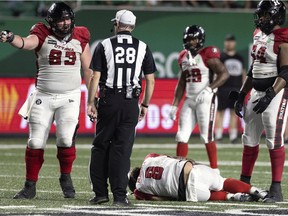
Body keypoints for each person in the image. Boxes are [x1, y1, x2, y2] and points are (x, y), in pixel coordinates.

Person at [0, 2, 92, 199]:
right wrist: (11, 38)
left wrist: (92, 99)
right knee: (35, 141)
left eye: (67, 19)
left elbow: (88, 69)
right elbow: (27, 42)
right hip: (43, 95)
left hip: (70, 96)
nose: (65, 23)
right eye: (61, 20)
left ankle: (65, 177)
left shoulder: (81, 35)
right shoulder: (41, 33)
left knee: (66, 138)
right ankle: (29, 185)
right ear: (51, 22)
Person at [87, 9, 156, 206]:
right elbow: (150, 81)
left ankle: (100, 193)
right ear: (132, 26)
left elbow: (96, 77)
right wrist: (144, 104)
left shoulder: (105, 44)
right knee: (122, 149)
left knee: (101, 146)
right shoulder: (142, 46)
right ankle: (119, 196)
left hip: (109, 100)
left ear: (117, 24)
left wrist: (91, 102)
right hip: (130, 103)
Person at [233, 0, 288, 202]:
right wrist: (241, 93)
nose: (261, 18)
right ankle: (245, 186)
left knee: (274, 137)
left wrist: (271, 95)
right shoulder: (258, 34)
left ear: (275, 16)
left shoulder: (283, 37)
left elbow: (286, 72)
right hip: (256, 91)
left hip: (276, 92)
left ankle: (276, 189)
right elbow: (253, 68)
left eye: (265, 14)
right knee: (249, 138)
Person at [169, 25, 229, 170]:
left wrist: (209, 89)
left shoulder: (207, 53)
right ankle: (179, 169)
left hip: (206, 99)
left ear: (200, 39)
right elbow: (182, 82)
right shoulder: (183, 56)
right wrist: (175, 105)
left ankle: (215, 170)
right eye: (188, 39)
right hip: (189, 99)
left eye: (194, 39)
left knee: (206, 136)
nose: (190, 42)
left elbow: (224, 73)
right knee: (181, 136)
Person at [128, 153, 270, 202]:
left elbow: (155, 198)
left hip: (189, 190)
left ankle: (235, 197)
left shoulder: (139, 190)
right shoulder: (149, 158)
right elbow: (173, 158)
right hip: (192, 169)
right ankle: (257, 191)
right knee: (222, 181)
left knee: (211, 194)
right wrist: (193, 162)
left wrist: (173, 196)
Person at [215, 34, 246, 144]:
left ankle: (233, 136)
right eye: (227, 41)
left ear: (234, 43)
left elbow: (243, 73)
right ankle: (218, 135)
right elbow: (217, 72)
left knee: (234, 112)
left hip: (236, 88)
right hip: (223, 88)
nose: (229, 43)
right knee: (220, 112)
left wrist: (244, 89)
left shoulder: (239, 58)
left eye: (231, 41)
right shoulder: (221, 57)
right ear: (225, 43)